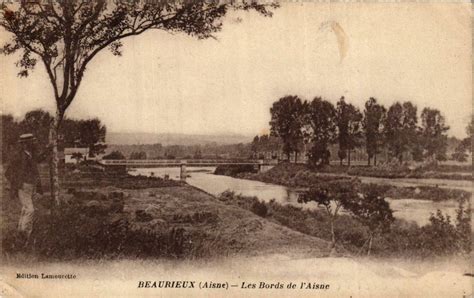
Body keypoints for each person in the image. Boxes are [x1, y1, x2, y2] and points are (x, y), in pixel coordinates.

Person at [5, 133, 50, 245]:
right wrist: (18, 184)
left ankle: (21, 235)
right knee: (30, 210)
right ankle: (23, 236)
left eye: (34, 141)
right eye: (31, 142)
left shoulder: (30, 154)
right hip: (23, 187)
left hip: (31, 187)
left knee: (25, 209)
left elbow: (38, 159)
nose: (34, 143)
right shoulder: (19, 156)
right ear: (25, 144)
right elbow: (8, 173)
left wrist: (48, 150)